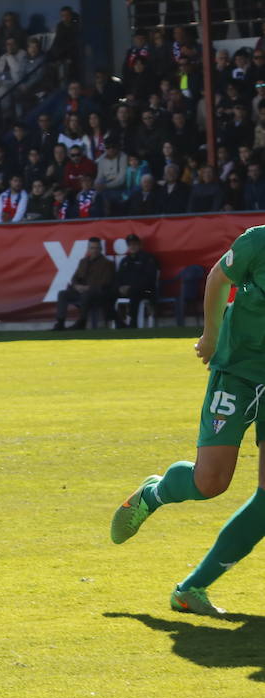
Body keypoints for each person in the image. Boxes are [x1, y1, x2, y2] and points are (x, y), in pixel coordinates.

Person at [109, 226, 265, 615]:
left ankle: (191, 588)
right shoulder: (258, 242)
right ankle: (153, 494)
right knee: (210, 482)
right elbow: (218, 277)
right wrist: (210, 335)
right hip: (237, 372)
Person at [52, 237, 113, 330]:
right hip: (80, 291)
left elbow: (106, 282)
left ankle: (81, 322)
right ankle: (60, 323)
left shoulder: (107, 264)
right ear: (88, 249)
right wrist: (76, 286)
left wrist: (88, 288)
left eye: (97, 248)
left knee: (86, 294)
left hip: (96, 294)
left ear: (101, 249)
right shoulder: (83, 261)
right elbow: (74, 278)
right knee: (62, 294)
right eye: (92, 248)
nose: (94, 250)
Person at [113, 234, 158, 327]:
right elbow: (118, 277)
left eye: (134, 244)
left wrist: (131, 287)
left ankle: (133, 323)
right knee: (109, 292)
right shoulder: (125, 261)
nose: (132, 247)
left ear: (139, 245)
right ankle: (119, 323)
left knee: (135, 292)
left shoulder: (147, 258)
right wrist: (120, 287)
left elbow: (149, 278)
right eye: (130, 245)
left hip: (146, 290)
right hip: (126, 290)